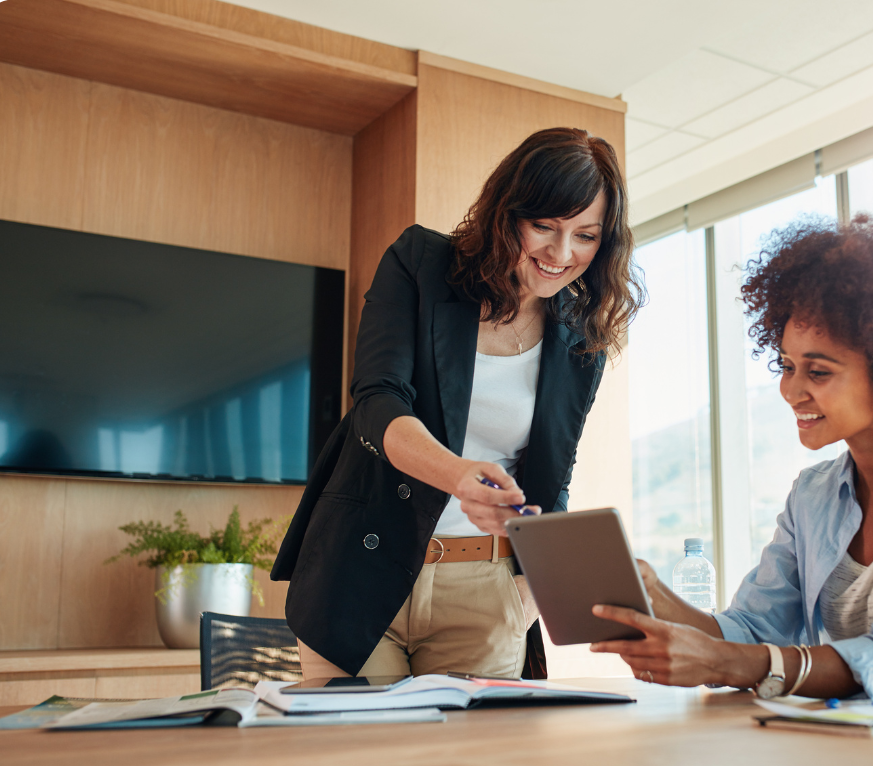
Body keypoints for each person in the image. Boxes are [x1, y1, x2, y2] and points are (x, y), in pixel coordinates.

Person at [591, 215, 873, 702]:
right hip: (869, 744)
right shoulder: (814, 494)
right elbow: (754, 632)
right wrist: (658, 599)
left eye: (817, 371)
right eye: (787, 366)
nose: (792, 391)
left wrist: (726, 661)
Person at [271, 127, 642, 681]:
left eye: (585, 236)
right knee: (352, 765)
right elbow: (377, 403)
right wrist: (458, 475)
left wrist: (529, 598)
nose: (561, 254)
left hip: (486, 594)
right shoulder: (421, 265)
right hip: (362, 571)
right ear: (507, 213)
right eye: (543, 226)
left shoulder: (577, 340)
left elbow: (548, 480)